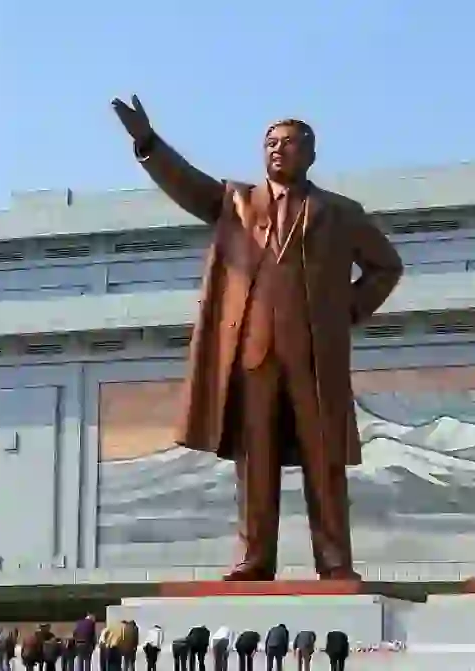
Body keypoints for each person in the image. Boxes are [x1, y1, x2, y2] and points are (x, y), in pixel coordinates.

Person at [111, 96, 403, 581]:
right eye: (270, 143)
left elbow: (386, 267)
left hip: (313, 356)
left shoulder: (340, 212)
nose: (277, 150)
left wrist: (345, 311)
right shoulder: (237, 203)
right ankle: (254, 559)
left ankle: (333, 561)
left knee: (322, 459)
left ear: (309, 154)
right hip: (253, 354)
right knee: (255, 462)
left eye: (288, 143)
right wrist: (148, 144)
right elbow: (188, 186)